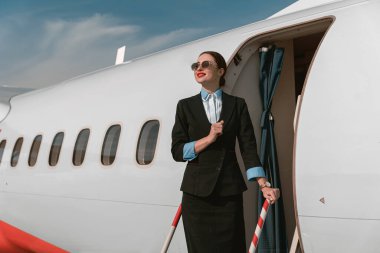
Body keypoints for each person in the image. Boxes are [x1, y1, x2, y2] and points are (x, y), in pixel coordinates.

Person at [171, 51, 280, 253]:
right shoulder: (185, 106)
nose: (199, 68)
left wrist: (263, 184)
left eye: (205, 64)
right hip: (196, 195)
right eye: (196, 65)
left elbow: (248, 147)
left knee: (231, 247)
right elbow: (177, 151)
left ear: (221, 71)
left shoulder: (237, 105)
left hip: (228, 191)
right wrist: (208, 139)